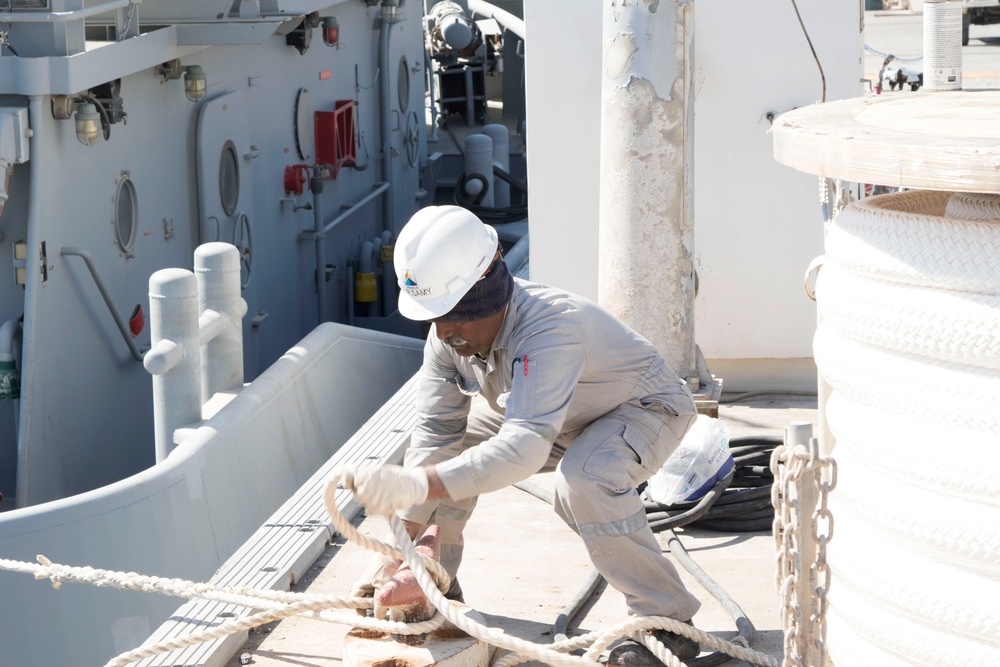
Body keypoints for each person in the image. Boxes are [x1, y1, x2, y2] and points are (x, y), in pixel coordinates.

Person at [348, 205, 702, 665]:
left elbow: (523, 448)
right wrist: (406, 551)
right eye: (434, 317)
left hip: (641, 407)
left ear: (486, 293)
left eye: (452, 314)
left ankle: (667, 622)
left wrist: (423, 485)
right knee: (454, 450)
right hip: (561, 417)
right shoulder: (447, 338)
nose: (444, 331)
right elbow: (437, 434)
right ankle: (435, 578)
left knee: (584, 480)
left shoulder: (550, 329)